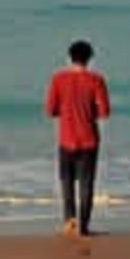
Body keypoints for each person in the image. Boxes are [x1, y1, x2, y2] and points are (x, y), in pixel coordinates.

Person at [44, 39, 112, 237]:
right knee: (86, 185)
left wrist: (66, 110)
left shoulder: (58, 79)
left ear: (69, 58)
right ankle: (83, 227)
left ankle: (70, 222)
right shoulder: (96, 80)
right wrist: (90, 112)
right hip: (89, 139)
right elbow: (105, 112)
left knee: (66, 183)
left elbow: (50, 110)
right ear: (89, 59)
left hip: (66, 138)